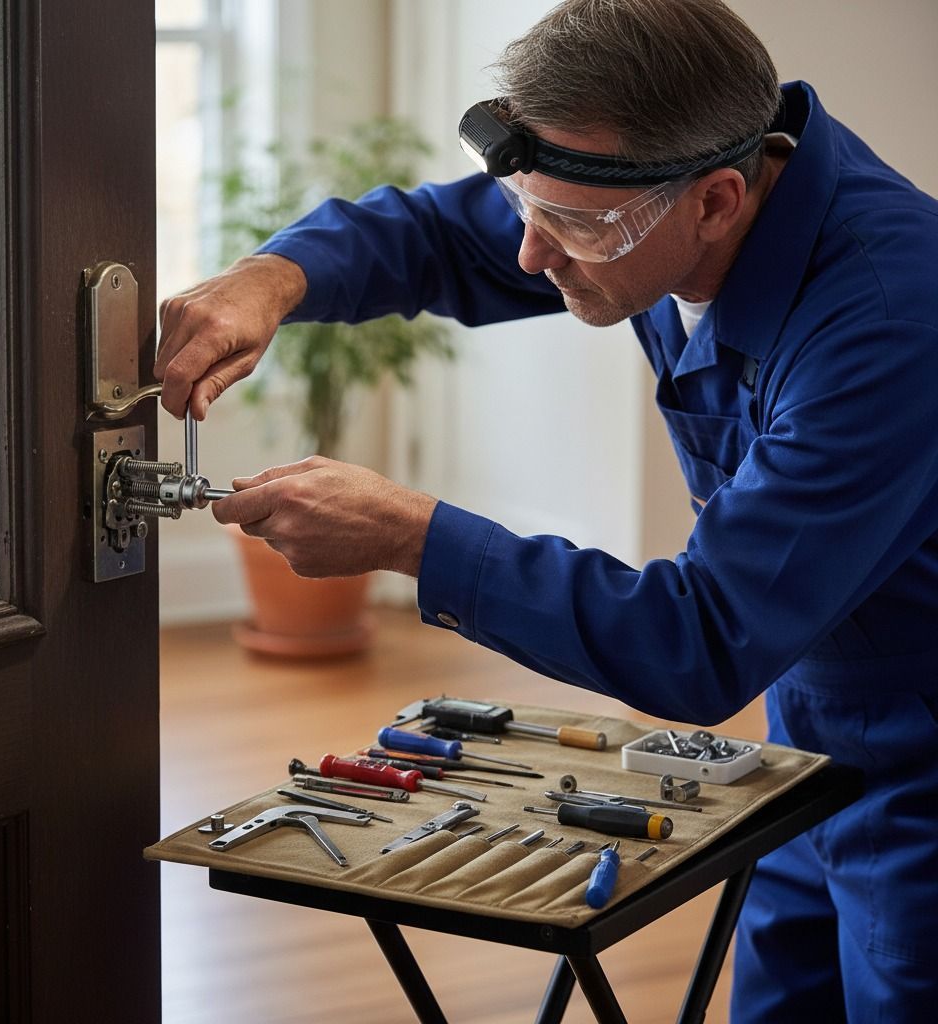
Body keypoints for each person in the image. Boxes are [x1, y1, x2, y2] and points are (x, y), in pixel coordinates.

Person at [154, 1, 938, 1019]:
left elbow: (697, 639)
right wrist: (274, 276)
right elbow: (443, 234)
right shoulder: (642, 196)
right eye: (526, 205)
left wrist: (411, 535)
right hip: (811, 720)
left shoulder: (889, 318)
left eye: (568, 226)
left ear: (716, 200)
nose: (529, 254)